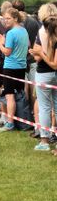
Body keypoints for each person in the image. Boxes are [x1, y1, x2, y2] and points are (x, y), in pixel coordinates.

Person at [29, 15, 57, 151]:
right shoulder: (44, 36)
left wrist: (40, 52)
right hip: (50, 75)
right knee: (55, 106)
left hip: (44, 74)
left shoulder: (42, 36)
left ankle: (45, 140)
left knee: (45, 107)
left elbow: (38, 57)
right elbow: (35, 55)